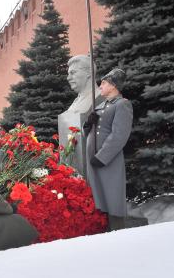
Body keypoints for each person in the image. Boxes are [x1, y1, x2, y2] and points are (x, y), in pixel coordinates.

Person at [83, 68, 133, 231]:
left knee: (112, 195)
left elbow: (119, 135)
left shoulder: (122, 104)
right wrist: (88, 125)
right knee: (98, 197)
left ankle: (116, 230)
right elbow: (90, 133)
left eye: (103, 83)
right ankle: (102, 230)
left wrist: (102, 157)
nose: (100, 86)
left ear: (113, 85)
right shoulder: (100, 105)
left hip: (108, 160)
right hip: (94, 159)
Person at [58, 55, 103, 176]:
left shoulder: (99, 98)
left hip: (91, 173)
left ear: (88, 73)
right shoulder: (75, 103)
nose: (68, 78)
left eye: (73, 73)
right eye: (68, 74)